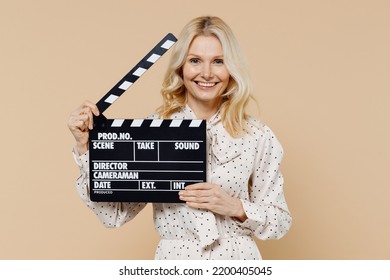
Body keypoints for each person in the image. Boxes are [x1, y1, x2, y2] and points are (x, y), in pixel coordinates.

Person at [68, 16, 292, 260]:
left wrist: (235, 207)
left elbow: (280, 221)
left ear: (231, 69)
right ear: (181, 68)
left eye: (218, 61)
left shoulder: (256, 135)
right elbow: (114, 216)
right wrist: (85, 148)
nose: (206, 73)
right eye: (195, 61)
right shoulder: (153, 131)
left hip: (237, 259)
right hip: (175, 259)